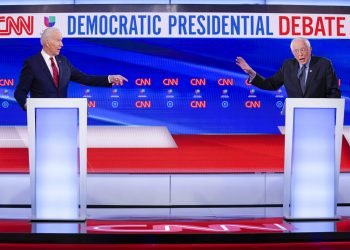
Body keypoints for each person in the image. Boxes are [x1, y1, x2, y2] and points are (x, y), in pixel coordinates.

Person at [14, 27, 128, 110]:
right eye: (58, 40)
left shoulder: (63, 62)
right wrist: (28, 106)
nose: (62, 44)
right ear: (47, 42)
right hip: (41, 118)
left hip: (64, 116)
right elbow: (20, 92)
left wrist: (109, 78)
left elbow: (85, 79)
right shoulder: (32, 63)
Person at [235, 37, 341, 99]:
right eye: (296, 51)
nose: (300, 54)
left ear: (310, 49)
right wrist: (251, 73)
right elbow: (270, 84)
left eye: (303, 50)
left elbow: (334, 92)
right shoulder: (288, 66)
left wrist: (326, 110)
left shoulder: (324, 64)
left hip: (320, 114)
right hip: (295, 114)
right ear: (292, 52)